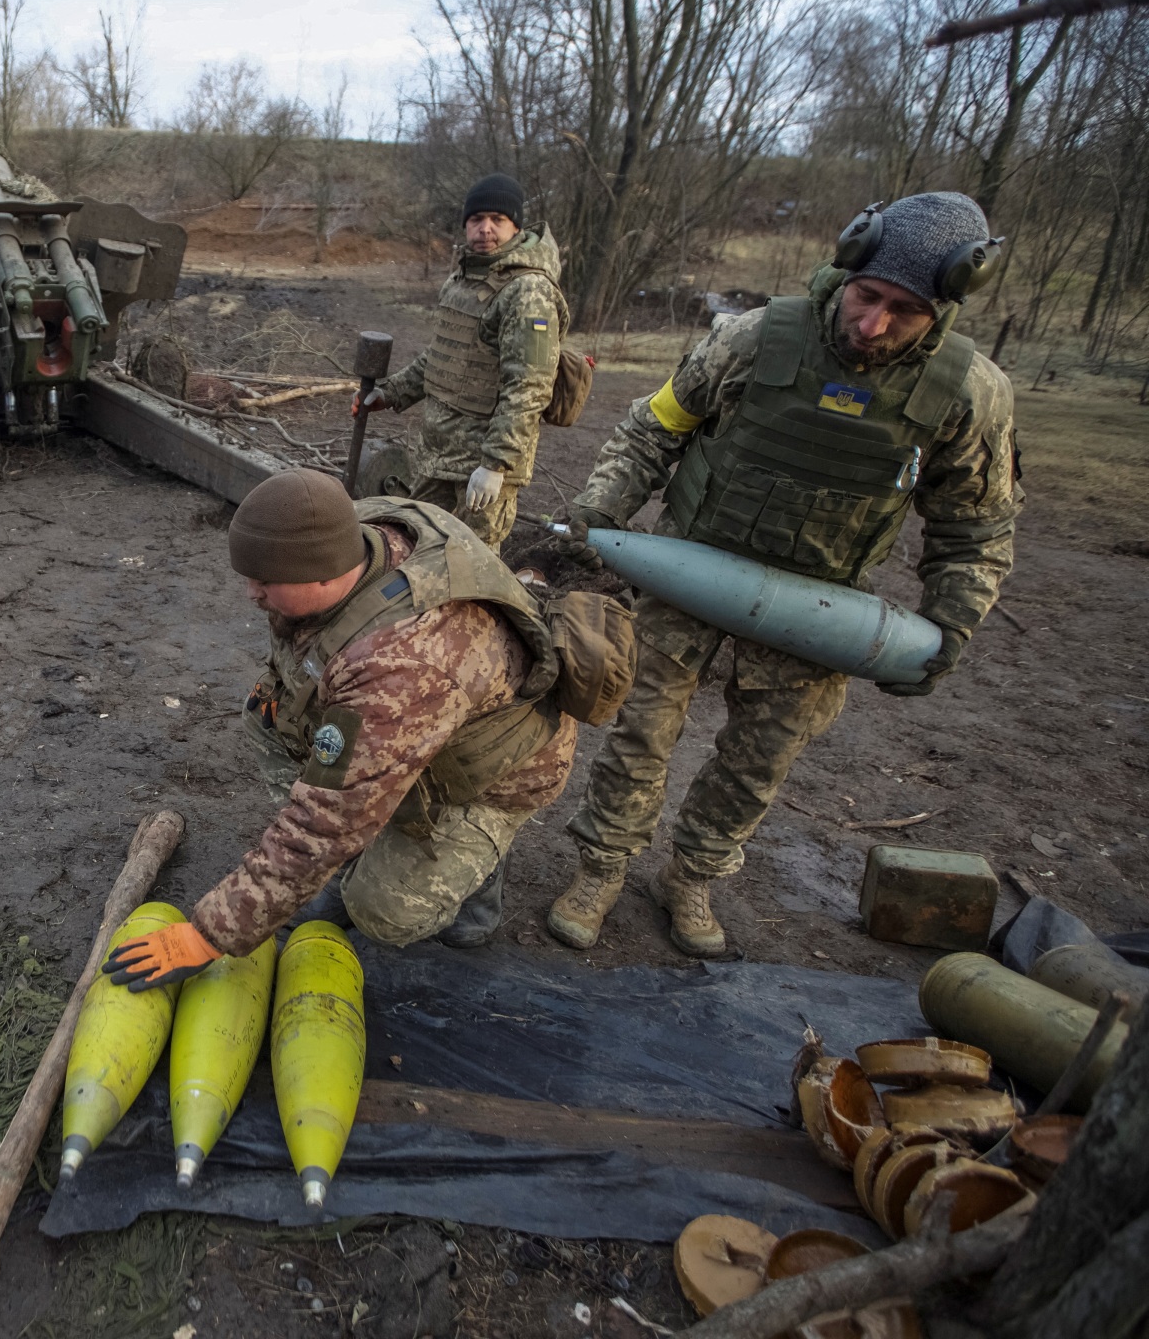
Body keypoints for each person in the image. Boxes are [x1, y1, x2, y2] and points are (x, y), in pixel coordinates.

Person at [545, 191, 1019, 957]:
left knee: (757, 763)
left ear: (947, 307)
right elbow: (652, 429)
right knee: (638, 734)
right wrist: (600, 511)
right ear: (848, 265)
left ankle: (692, 875)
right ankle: (601, 867)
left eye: (904, 311)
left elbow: (977, 527)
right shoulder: (754, 338)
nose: (872, 326)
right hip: (687, 575)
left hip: (818, 613)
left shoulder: (968, 396)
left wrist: (951, 626)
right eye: (866, 297)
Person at [100, 469, 580, 992]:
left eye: (265, 582)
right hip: (417, 724)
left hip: (493, 773)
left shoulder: (401, 664)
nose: (250, 594)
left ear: (323, 576)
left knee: (383, 912)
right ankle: (364, 837)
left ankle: (481, 871)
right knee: (267, 716)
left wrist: (210, 934)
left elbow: (324, 822)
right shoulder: (351, 531)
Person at [354, 172, 567, 548]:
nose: (485, 229)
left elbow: (530, 387)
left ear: (515, 226)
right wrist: (391, 392)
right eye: (476, 220)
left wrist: (495, 464)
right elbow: (442, 355)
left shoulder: (528, 291)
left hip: (480, 465)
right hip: (437, 454)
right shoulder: (463, 279)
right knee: (419, 550)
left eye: (497, 220)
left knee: (471, 566)